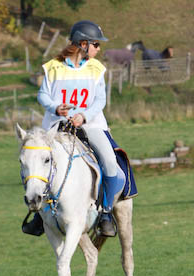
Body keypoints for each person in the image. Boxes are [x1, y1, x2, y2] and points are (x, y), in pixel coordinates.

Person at [23, 19, 125, 238]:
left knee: (110, 162)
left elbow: (99, 100)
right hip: (57, 127)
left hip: (90, 124)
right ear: (83, 44)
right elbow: (43, 95)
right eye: (96, 44)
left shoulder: (97, 69)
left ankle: (106, 213)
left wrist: (84, 116)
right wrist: (55, 107)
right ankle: (39, 216)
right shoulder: (54, 67)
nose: (99, 48)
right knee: (37, 163)